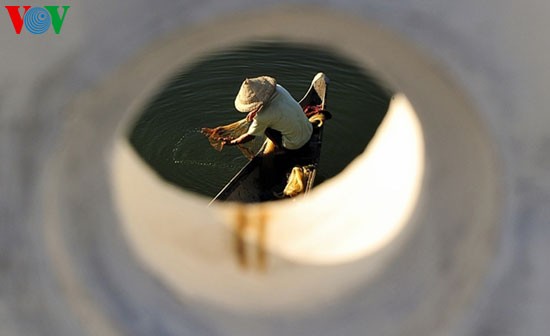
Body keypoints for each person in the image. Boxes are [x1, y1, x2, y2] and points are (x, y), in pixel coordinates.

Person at [224, 76, 313, 153]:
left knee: (266, 129)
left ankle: (280, 148)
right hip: (309, 129)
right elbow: (269, 102)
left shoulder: (263, 117)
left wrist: (233, 142)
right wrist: (255, 111)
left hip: (295, 145)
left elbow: (251, 135)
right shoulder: (279, 88)